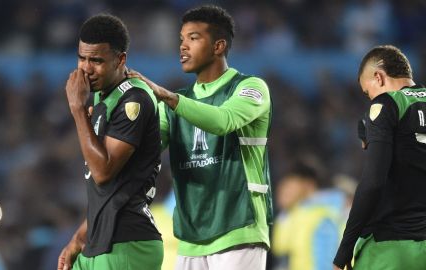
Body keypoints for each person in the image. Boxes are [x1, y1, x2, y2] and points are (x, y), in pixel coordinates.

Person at [128, 5, 273, 270]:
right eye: (181, 39)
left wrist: (170, 98)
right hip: (191, 235)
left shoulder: (249, 87)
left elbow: (224, 121)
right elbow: (143, 152)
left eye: (193, 38)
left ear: (218, 46)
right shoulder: (172, 105)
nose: (182, 47)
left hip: (238, 226)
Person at [57, 14, 163, 270]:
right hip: (100, 240)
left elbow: (103, 172)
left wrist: (77, 109)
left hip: (127, 243)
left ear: (121, 59)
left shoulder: (134, 99)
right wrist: (79, 237)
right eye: (82, 58)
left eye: (96, 60)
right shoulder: (104, 100)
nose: (86, 68)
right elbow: (108, 195)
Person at [333, 45, 426, 270]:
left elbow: (373, 182)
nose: (370, 99)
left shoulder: (387, 104)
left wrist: (344, 250)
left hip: (390, 249)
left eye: (368, 92)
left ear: (379, 77)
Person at [272, 160, 340, 270]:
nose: (283, 190)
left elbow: (326, 263)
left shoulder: (322, 218)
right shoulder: (287, 216)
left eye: (290, 185)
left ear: (308, 185)